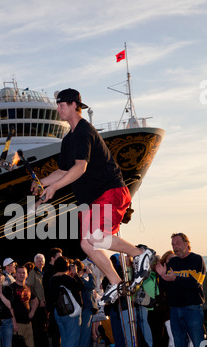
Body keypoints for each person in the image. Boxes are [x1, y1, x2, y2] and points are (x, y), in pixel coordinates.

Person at [32, 88, 156, 305]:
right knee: (87, 244)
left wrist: (53, 189)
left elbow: (80, 168)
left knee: (94, 236)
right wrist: (42, 184)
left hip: (110, 191)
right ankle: (116, 282)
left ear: (73, 105)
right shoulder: (68, 139)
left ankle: (140, 253)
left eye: (61, 105)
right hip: (92, 201)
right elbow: (62, 171)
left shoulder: (84, 132)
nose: (58, 109)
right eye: (58, 105)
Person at [156, 233, 207, 347]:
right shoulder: (173, 262)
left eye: (177, 243)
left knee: (200, 346)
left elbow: (196, 282)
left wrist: (174, 279)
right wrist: (163, 276)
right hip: (175, 309)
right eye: (172, 244)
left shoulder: (197, 259)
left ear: (186, 243)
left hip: (192, 308)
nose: (175, 246)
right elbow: (165, 287)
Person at [50, 256, 85, 347]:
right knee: (72, 341)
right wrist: (75, 274)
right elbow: (81, 287)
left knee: (64, 340)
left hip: (58, 312)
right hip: (70, 314)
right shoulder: (66, 278)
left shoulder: (52, 279)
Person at [11, 266, 39, 347]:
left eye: (24, 273)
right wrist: (13, 323)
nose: (21, 274)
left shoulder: (28, 287)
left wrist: (32, 312)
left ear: (27, 275)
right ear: (15, 274)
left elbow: (36, 300)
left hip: (27, 322)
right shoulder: (11, 288)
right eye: (19, 272)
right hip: (16, 323)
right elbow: (9, 307)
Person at [74, 259, 98, 347]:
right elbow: (91, 285)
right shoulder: (79, 279)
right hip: (85, 309)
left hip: (88, 309)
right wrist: (90, 274)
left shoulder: (81, 279)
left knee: (86, 336)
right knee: (83, 336)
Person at [26, 253, 49, 347]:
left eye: (42, 261)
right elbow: (29, 287)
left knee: (44, 327)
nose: (41, 262)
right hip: (37, 306)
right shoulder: (32, 273)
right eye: (39, 261)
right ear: (35, 262)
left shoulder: (44, 273)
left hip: (45, 305)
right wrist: (37, 300)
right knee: (39, 329)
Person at [42, 247, 63, 347]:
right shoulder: (49, 271)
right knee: (56, 331)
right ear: (52, 258)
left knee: (58, 331)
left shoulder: (53, 270)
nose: (61, 259)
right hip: (53, 305)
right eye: (59, 257)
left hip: (55, 304)